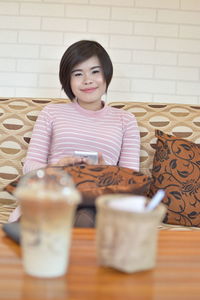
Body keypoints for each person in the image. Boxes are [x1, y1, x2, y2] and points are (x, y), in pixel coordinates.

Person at [9, 40, 140, 223]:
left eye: (95, 71)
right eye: (78, 74)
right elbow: (30, 165)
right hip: (53, 192)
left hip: (99, 199)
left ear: (106, 74)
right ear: (67, 80)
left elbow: (130, 179)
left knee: (87, 216)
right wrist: (57, 168)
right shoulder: (51, 113)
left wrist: (104, 171)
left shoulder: (126, 120)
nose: (87, 80)